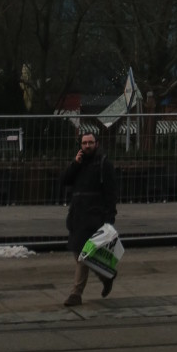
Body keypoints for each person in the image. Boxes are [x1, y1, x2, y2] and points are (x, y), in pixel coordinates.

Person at [62, 128, 117, 307]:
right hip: (77, 216)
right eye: (84, 143)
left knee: (83, 255)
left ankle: (75, 294)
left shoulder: (103, 164)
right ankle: (105, 275)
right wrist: (74, 164)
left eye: (90, 143)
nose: (87, 146)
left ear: (96, 144)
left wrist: (109, 217)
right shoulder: (78, 164)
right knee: (81, 254)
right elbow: (65, 180)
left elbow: (111, 193)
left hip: (94, 217)